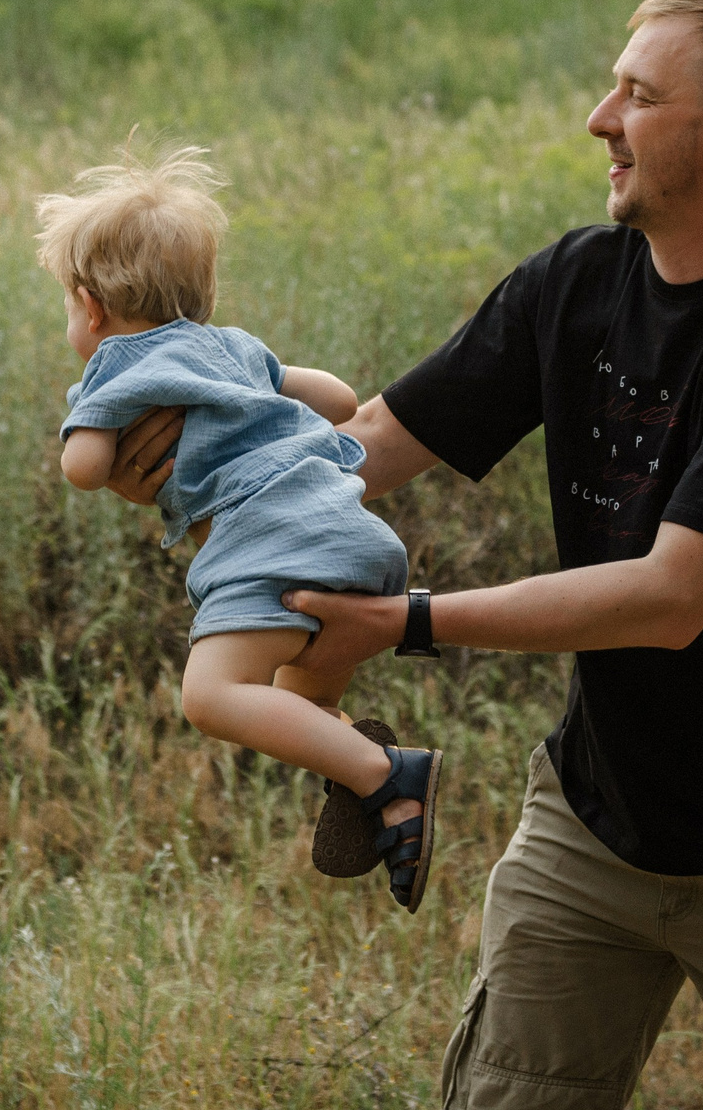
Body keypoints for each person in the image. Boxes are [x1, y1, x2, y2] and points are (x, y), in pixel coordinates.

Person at [110, 0, 703, 1110]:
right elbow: (361, 449)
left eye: (637, 92)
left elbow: (670, 595)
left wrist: (401, 623)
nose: (597, 116)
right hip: (592, 819)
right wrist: (202, 437)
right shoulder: (575, 282)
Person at [38, 148, 441, 910]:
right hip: (351, 532)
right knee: (298, 695)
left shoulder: (116, 364)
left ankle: (388, 774)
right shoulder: (231, 347)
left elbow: (86, 467)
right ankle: (362, 773)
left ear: (90, 307)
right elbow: (337, 395)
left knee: (213, 696)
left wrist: (89, 427)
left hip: (270, 545)